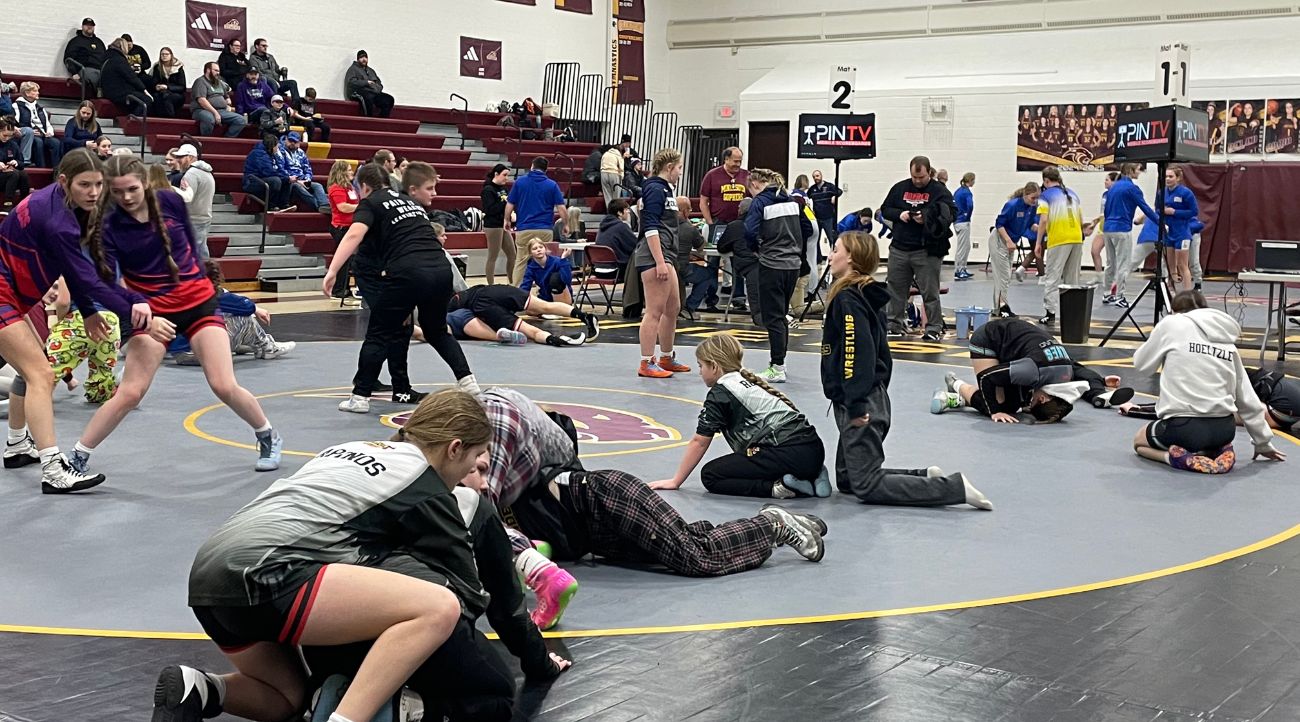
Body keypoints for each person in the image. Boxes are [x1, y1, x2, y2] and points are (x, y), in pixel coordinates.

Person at [149, 391, 488, 722]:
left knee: (287, 698)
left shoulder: (348, 448)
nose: (471, 478)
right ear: (454, 449)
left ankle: (199, 688)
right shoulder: (421, 481)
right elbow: (467, 592)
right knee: (439, 607)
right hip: (268, 570)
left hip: (209, 574)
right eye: (475, 462)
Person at [302, 454, 572, 722]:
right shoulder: (468, 504)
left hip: (325, 628)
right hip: (414, 631)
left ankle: (327, 691)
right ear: (453, 454)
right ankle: (404, 710)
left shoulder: (360, 484)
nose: (486, 483)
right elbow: (508, 611)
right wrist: (542, 664)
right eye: (477, 469)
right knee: (496, 697)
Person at [474, 387, 827, 590]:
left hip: (605, 497)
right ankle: (773, 526)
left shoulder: (504, 453)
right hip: (598, 534)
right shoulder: (503, 484)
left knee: (695, 557)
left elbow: (488, 510)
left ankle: (772, 525)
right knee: (689, 541)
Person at [69, 155, 284, 475]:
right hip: (154, 316)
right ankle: (77, 457)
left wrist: (209, 288)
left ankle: (268, 435)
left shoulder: (170, 201)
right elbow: (107, 283)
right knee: (129, 392)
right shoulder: (110, 227)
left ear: (144, 182)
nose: (126, 198)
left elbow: (191, 252)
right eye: (116, 192)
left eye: (131, 189)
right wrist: (138, 306)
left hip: (198, 306)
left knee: (223, 384)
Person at [821, 231, 992, 509]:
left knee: (865, 484)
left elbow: (857, 352)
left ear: (851, 257)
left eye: (835, 249)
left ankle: (953, 488)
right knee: (848, 479)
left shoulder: (849, 300)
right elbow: (882, 355)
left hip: (860, 399)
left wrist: (856, 402)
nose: (830, 255)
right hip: (865, 395)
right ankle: (923, 476)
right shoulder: (863, 295)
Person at [0, 149, 134, 493]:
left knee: (31, 370)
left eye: (98, 185)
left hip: (14, 292)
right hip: (4, 291)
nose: (93, 192)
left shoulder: (66, 206)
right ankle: (53, 470)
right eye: (84, 185)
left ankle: (17, 446)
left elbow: (69, 267)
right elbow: (83, 275)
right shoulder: (57, 221)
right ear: (64, 182)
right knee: (41, 374)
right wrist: (136, 309)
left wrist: (88, 311)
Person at [322, 163, 480, 413]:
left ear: (364, 187)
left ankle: (360, 396)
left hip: (408, 271)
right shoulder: (410, 203)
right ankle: (469, 383)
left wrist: (333, 271)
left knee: (379, 332)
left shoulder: (372, 202)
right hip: (441, 270)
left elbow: (353, 235)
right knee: (437, 331)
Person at [653, 334, 829, 499]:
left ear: (714, 366)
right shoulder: (747, 380)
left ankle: (780, 487)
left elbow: (700, 441)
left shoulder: (721, 393)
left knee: (711, 475)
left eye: (701, 366)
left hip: (790, 455)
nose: (700, 372)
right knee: (752, 456)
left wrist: (675, 481)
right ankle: (814, 474)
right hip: (813, 450)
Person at [1126, 290, 1284, 473]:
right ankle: (1217, 450)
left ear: (1174, 311)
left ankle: (1175, 458)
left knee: (1139, 441)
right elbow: (1247, 399)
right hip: (1224, 430)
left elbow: (1141, 365)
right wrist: (1263, 442)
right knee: (1203, 438)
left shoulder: (1172, 323)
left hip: (1184, 428)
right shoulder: (1227, 341)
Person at [930, 317, 1132, 422]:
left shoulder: (1065, 374)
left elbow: (1083, 372)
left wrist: (1100, 383)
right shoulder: (1032, 371)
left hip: (1015, 345)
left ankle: (959, 400)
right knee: (1004, 406)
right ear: (1042, 398)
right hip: (989, 340)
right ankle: (955, 385)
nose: (1027, 406)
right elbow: (987, 379)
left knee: (1014, 401)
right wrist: (995, 411)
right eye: (1032, 404)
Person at [744, 168, 813, 383]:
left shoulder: (761, 202)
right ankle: (780, 362)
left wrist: (758, 248)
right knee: (781, 315)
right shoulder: (794, 201)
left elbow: (748, 230)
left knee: (772, 317)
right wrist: (794, 246)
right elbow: (808, 229)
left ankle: (777, 366)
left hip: (771, 264)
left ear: (755, 183)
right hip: (792, 265)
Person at [881, 156, 954, 341]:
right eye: (914, 177)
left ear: (929, 172)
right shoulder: (900, 188)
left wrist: (927, 217)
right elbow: (885, 209)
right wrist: (901, 214)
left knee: (930, 292)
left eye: (921, 177)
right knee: (895, 289)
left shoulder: (940, 191)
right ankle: (894, 324)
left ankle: (934, 328)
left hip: (926, 250)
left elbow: (951, 213)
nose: (917, 181)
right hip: (899, 247)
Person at [635, 149, 688, 379]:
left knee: (672, 308)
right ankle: (647, 361)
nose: (680, 173)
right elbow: (651, 225)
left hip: (667, 253)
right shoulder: (655, 188)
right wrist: (659, 261)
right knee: (654, 311)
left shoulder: (666, 189)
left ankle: (666, 356)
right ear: (669, 168)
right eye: (678, 168)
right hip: (655, 255)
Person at [45, 277, 120, 403]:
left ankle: (34, 405)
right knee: (101, 376)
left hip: (79, 320)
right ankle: (115, 389)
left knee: (44, 372)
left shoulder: (66, 266)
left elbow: (63, 302)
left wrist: (56, 323)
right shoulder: (106, 267)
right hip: (110, 321)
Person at [447, 284, 594, 348]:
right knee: (545, 306)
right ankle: (585, 316)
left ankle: (555, 339)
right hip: (493, 290)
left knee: (530, 331)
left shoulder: (450, 309)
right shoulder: (459, 293)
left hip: (483, 307)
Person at [1100, 163, 1158, 309]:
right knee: (1123, 264)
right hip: (1122, 229)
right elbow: (1145, 208)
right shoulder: (1132, 188)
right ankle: (1119, 296)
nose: (1140, 172)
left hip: (1108, 228)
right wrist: (1160, 221)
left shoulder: (1113, 187)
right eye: (1138, 169)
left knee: (1110, 263)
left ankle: (1107, 293)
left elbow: (1106, 210)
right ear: (1131, 170)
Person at [698, 147, 750, 311]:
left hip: (739, 224)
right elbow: (703, 201)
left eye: (740, 161)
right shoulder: (712, 175)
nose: (738, 164)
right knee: (713, 261)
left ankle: (739, 298)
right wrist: (710, 222)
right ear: (726, 159)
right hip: (718, 223)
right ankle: (711, 298)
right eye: (735, 161)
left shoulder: (746, 175)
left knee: (739, 260)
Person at [1035, 166, 1084, 326]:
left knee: (1052, 276)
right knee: (1072, 278)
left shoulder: (1046, 195)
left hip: (1059, 238)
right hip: (1076, 238)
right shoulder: (1073, 193)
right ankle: (1073, 313)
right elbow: (1080, 218)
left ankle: (1050, 313)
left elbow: (1043, 220)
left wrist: (1038, 242)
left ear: (1046, 180)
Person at [504, 157, 566, 283]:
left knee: (521, 261)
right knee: (545, 260)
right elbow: (561, 208)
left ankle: (517, 291)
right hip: (545, 229)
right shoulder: (552, 185)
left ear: (532, 166)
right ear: (546, 170)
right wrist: (565, 224)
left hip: (524, 228)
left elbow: (509, 204)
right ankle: (545, 290)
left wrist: (507, 220)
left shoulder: (520, 182)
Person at [990, 183, 1040, 318]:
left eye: (1037, 198)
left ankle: (998, 307)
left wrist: (1040, 228)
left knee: (1005, 277)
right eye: (1033, 198)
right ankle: (1003, 306)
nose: (1034, 201)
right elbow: (999, 224)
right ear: (1025, 194)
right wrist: (1008, 241)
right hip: (1000, 240)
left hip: (1011, 242)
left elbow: (1030, 224)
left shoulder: (1032, 208)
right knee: (1004, 276)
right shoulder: (1012, 205)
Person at [173, 144, 215, 259]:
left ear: (190, 157)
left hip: (193, 219)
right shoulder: (207, 173)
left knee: (190, 255)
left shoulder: (191, 174)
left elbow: (185, 199)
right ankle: (207, 274)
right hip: (204, 217)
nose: (178, 160)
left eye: (181, 157)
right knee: (202, 252)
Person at [1162, 166, 1199, 293]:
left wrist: (1175, 212)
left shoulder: (1186, 193)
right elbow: (1157, 209)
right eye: (1166, 176)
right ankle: (1171, 291)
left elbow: (1194, 211)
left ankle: (1187, 293)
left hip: (1182, 233)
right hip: (1168, 233)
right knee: (1171, 266)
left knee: (1182, 265)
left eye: (1171, 176)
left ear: (1178, 178)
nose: (1167, 179)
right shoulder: (1162, 192)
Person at [326, 160, 359, 300]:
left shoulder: (350, 187)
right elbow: (343, 207)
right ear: (341, 172)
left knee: (350, 260)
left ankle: (345, 288)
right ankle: (338, 290)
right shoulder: (336, 188)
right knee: (344, 260)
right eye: (349, 169)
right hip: (340, 227)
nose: (352, 172)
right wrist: (361, 207)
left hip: (351, 226)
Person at [190, 61, 247, 137]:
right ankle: (205, 141)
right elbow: (202, 100)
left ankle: (226, 140)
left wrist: (227, 101)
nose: (218, 73)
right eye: (216, 70)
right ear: (208, 70)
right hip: (202, 110)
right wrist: (215, 113)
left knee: (241, 120)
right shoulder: (201, 81)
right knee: (209, 119)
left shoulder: (219, 82)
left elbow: (226, 95)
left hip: (221, 110)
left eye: (219, 71)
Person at [100, 37, 153, 117]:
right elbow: (131, 77)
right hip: (119, 93)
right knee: (147, 100)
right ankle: (131, 121)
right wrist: (144, 90)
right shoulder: (119, 60)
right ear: (123, 47)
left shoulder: (107, 57)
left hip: (108, 91)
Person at [13, 83, 61, 169]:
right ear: (27, 93)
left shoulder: (40, 108)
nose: (38, 93)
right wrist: (30, 131)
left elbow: (47, 124)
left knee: (55, 142)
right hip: (30, 135)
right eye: (35, 91)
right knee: (38, 142)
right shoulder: (16, 106)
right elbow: (15, 124)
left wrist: (49, 132)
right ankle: (41, 168)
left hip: (43, 134)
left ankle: (57, 169)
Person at [480, 163, 513, 285]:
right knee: (493, 255)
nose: (506, 178)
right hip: (493, 226)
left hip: (503, 224)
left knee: (512, 254)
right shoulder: (488, 190)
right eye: (504, 175)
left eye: (508, 175)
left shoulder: (504, 189)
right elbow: (490, 209)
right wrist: (506, 204)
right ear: (496, 174)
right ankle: (491, 285)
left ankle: (512, 282)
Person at [241, 135, 292, 212]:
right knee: (276, 181)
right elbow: (268, 172)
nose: (278, 148)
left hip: (263, 179)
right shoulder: (258, 154)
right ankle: (270, 206)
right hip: (252, 182)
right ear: (272, 146)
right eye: (276, 146)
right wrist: (285, 177)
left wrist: (288, 177)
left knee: (287, 180)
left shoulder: (271, 154)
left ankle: (284, 205)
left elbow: (278, 168)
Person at [280, 132, 329, 212]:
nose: (292, 143)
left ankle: (324, 205)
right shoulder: (280, 152)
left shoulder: (301, 152)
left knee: (317, 185)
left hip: (303, 180)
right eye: (290, 141)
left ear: (299, 143)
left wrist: (307, 179)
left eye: (295, 142)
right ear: (286, 140)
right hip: (290, 181)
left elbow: (307, 169)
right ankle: (318, 207)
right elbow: (281, 170)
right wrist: (298, 181)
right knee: (298, 187)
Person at [519, 238, 574, 305]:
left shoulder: (557, 261)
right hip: (545, 297)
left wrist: (563, 258)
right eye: (535, 249)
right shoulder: (531, 267)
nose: (538, 250)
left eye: (541, 247)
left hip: (562, 295)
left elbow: (567, 280)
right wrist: (519, 299)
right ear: (530, 253)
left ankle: (562, 307)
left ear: (545, 249)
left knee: (555, 278)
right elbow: (525, 286)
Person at [248, 38, 299, 102]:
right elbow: (258, 73)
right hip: (268, 84)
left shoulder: (270, 57)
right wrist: (273, 81)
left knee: (292, 83)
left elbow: (277, 69)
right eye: (263, 46)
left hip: (277, 82)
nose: (265, 48)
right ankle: (275, 104)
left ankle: (296, 106)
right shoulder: (253, 58)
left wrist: (282, 71)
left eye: (266, 46)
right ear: (257, 46)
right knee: (272, 83)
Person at [346, 50, 394, 118]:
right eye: (361, 57)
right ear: (358, 59)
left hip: (373, 92)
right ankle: (368, 119)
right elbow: (351, 82)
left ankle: (382, 120)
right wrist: (366, 82)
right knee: (368, 97)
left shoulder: (371, 71)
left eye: (365, 57)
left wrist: (376, 89)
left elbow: (379, 84)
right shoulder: (353, 69)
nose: (364, 59)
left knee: (389, 99)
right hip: (359, 91)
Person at [63, 18, 105, 93]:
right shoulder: (75, 41)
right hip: (85, 69)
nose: (89, 27)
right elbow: (68, 58)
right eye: (87, 25)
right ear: (82, 27)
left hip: (100, 70)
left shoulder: (99, 42)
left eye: (91, 25)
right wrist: (74, 73)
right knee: (95, 78)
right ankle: (98, 98)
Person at [595, 198, 638, 266]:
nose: (629, 212)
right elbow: (635, 245)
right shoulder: (622, 227)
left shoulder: (602, 227)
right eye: (626, 209)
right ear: (619, 213)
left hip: (598, 268)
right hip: (617, 269)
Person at [148, 47, 186, 118]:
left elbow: (182, 87)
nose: (164, 56)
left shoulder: (178, 68)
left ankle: (170, 119)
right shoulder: (157, 67)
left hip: (176, 94)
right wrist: (156, 86)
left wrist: (167, 87)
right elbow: (153, 82)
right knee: (156, 97)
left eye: (166, 54)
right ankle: (159, 120)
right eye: (162, 54)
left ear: (171, 55)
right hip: (161, 92)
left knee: (167, 98)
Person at [0, 121, 31, 209]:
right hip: (4, 175)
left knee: (23, 174)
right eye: (5, 135)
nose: (7, 138)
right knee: (14, 174)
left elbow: (22, 163)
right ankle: (7, 204)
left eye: (10, 136)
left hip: (10, 176)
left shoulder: (13, 145)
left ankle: (24, 202)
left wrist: (16, 162)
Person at [808, 169, 843, 244]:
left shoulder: (829, 186)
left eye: (817, 176)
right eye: (814, 177)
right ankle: (818, 256)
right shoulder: (812, 189)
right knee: (816, 240)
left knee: (832, 239)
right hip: (817, 218)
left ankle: (833, 255)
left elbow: (840, 191)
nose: (816, 178)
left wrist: (834, 196)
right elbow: (806, 198)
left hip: (828, 218)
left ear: (821, 176)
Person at [953, 172, 975, 280]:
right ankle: (959, 270)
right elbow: (970, 205)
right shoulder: (967, 192)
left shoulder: (958, 191)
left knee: (966, 246)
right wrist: (967, 215)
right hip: (963, 221)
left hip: (957, 221)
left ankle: (962, 268)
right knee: (963, 247)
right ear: (970, 180)